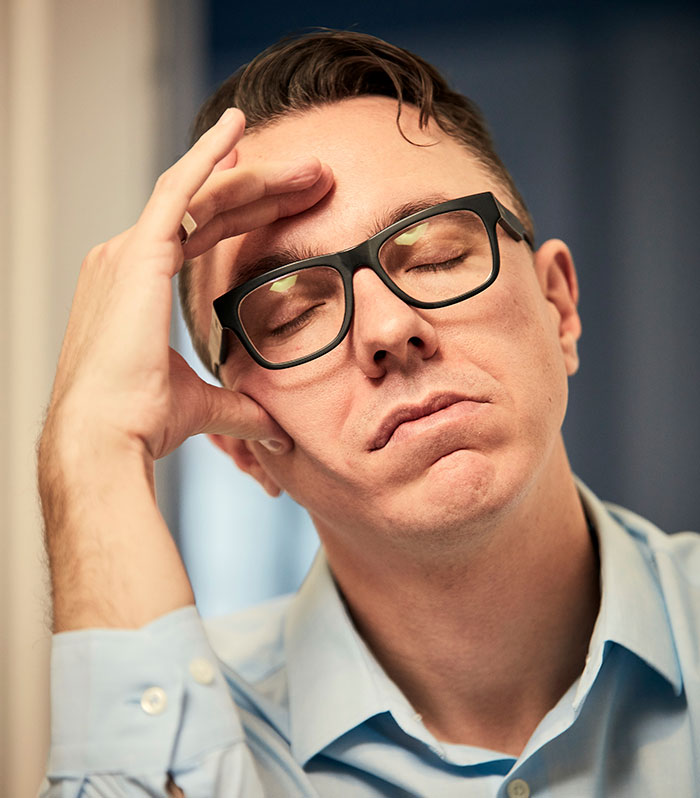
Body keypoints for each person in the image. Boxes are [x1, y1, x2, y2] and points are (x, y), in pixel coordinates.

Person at [38, 30, 699, 798]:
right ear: (243, 448)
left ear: (559, 306)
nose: (389, 329)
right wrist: (85, 452)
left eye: (440, 254)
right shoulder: (185, 736)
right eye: (289, 314)